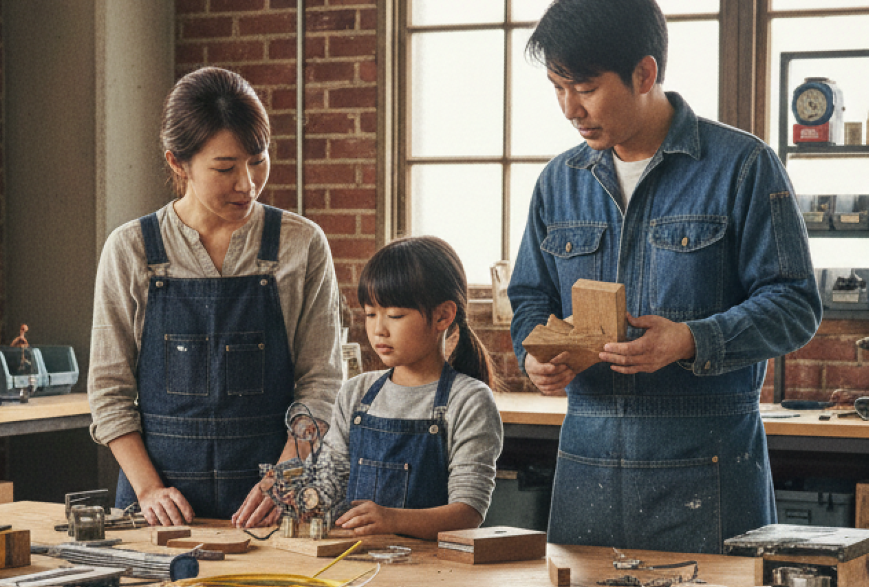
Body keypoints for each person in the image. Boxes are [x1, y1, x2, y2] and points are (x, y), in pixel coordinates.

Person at [508, 0, 822, 554]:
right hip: (587, 465)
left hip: (709, 465)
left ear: (645, 73)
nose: (569, 108)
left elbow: (794, 305)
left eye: (583, 87)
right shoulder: (559, 182)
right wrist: (534, 354)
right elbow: (531, 296)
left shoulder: (743, 166)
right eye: (557, 88)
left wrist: (690, 340)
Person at [88, 67, 344, 527]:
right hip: (156, 512)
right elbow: (109, 392)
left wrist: (287, 473)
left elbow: (322, 383)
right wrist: (148, 489)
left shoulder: (300, 244)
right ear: (177, 163)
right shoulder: (131, 250)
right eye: (225, 168)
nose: (246, 183)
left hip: (273, 506)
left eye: (258, 160)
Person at [319, 236, 504, 540]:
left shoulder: (468, 399)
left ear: (443, 316)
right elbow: (329, 485)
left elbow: (468, 512)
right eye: (370, 314)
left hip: (434, 570)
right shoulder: (356, 393)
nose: (379, 329)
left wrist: (391, 520)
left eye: (395, 315)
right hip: (357, 560)